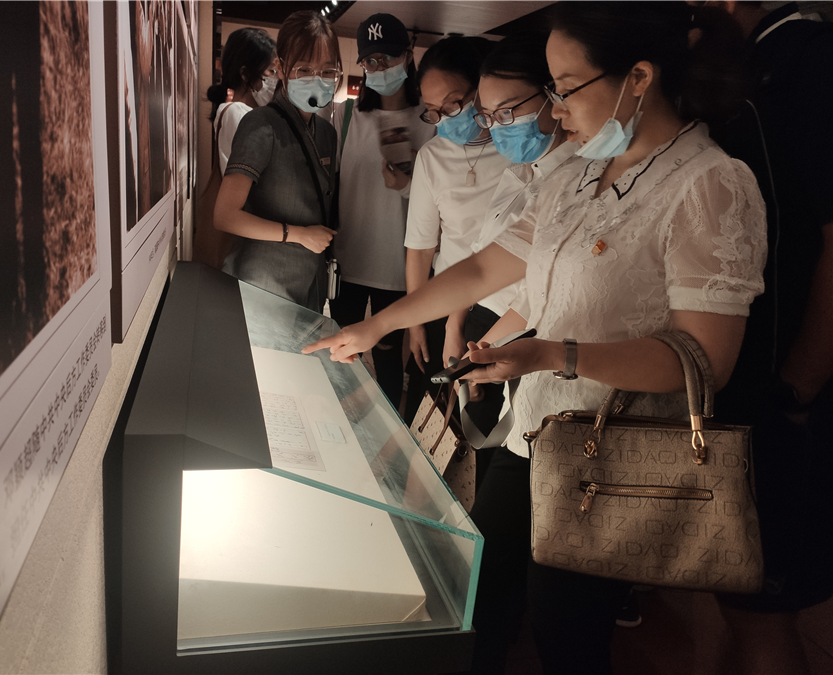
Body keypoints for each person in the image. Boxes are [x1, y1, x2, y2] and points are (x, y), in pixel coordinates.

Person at [305, 4, 767, 673]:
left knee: (564, 631)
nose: (557, 107)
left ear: (639, 78)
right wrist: (377, 324)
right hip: (536, 430)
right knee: (480, 590)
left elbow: (703, 359)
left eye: (567, 86)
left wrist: (554, 353)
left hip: (608, 457)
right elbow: (486, 268)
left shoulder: (709, 183)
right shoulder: (579, 174)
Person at [706, 3, 833, 674]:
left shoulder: (807, 58)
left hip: (782, 386)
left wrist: (799, 385)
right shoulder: (752, 64)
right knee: (739, 594)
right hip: (752, 382)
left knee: (764, 604)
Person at [461, 31, 575, 481]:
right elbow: (482, 262)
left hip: (532, 347)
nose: (498, 127)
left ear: (553, 96)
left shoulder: (577, 180)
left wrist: (487, 347)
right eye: (488, 117)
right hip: (496, 337)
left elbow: (535, 290)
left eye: (508, 112)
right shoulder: (522, 173)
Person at [402, 36, 512, 423]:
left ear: (481, 87)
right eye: (433, 111)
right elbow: (419, 248)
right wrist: (415, 322)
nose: (445, 118)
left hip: (504, 305)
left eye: (452, 104)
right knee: (437, 421)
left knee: (487, 422)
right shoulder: (432, 156)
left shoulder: (518, 149)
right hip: (446, 298)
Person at [331, 13, 434, 408]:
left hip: (399, 265)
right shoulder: (345, 117)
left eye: (388, 57)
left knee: (390, 362)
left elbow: (436, 202)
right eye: (370, 60)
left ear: (407, 56)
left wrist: (407, 185)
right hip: (348, 261)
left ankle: (388, 435)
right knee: (342, 356)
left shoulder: (430, 120)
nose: (380, 67)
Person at [213, 10, 341, 313]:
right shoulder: (261, 124)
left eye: (328, 71)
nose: (317, 79)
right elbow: (225, 215)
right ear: (281, 68)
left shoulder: (327, 133)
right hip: (261, 284)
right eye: (304, 69)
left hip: (310, 285)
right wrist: (298, 234)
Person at [194, 27, 277, 269]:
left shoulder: (244, 114)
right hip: (240, 243)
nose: (275, 80)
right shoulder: (239, 115)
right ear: (245, 74)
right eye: (270, 72)